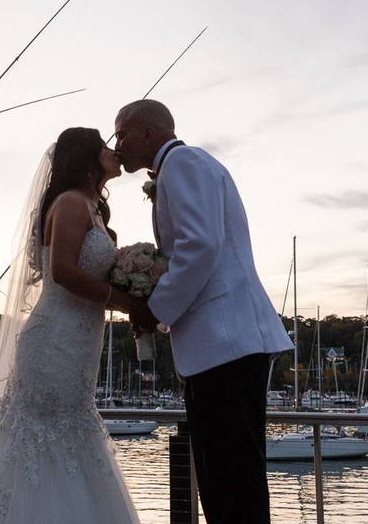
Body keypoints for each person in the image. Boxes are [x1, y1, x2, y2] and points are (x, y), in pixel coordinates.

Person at [0, 127, 143, 523]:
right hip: (53, 341)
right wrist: (123, 301)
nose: (114, 151)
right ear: (88, 158)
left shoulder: (92, 208)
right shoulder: (72, 203)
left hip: (80, 342)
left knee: (71, 429)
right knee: (45, 434)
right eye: (105, 146)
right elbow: (61, 272)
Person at [114, 100, 293, 524]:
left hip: (225, 344)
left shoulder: (183, 162)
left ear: (148, 132)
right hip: (220, 347)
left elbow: (200, 246)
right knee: (225, 482)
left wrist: (153, 310)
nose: (117, 144)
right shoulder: (181, 166)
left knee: (231, 482)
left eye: (122, 133)